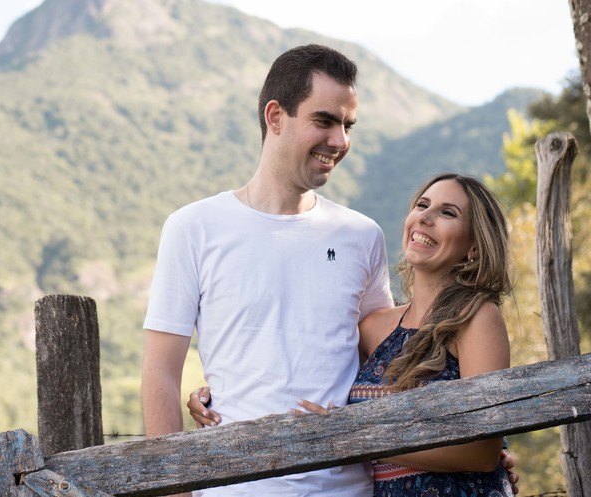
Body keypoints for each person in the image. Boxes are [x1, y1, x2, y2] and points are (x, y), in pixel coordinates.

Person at [142, 44, 394, 497]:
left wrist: (469, 446)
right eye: (324, 120)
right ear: (275, 116)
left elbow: (389, 363)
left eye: (347, 125)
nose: (340, 141)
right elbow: (161, 370)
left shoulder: (363, 235)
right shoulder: (193, 228)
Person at [189, 173, 515, 497]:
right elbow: (302, 363)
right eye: (422, 205)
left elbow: (481, 453)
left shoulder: (476, 318)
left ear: (474, 245)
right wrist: (217, 396)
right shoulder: (375, 329)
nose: (425, 218)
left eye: (448, 213)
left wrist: (350, 437)